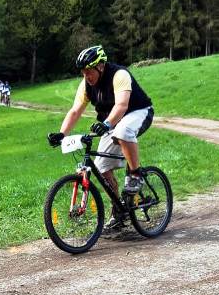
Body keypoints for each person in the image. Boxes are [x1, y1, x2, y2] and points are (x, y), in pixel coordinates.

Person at [47, 45, 154, 233]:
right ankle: (119, 212)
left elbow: (122, 105)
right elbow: (75, 111)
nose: (86, 75)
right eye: (83, 72)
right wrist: (62, 134)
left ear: (101, 66)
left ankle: (136, 174)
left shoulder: (119, 75)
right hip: (112, 122)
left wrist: (106, 124)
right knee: (102, 169)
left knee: (123, 131)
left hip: (138, 112)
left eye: (89, 71)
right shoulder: (86, 85)